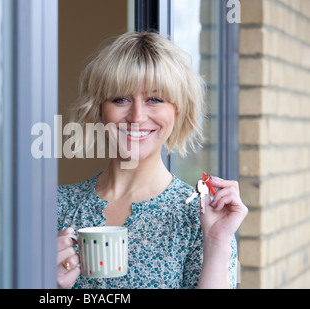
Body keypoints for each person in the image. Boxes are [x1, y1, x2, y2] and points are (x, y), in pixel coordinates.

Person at [56, 31, 248, 289]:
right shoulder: (55, 208)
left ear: (177, 111)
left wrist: (216, 243)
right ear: (100, 110)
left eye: (155, 99)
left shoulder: (201, 219)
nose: (137, 117)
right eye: (121, 99)